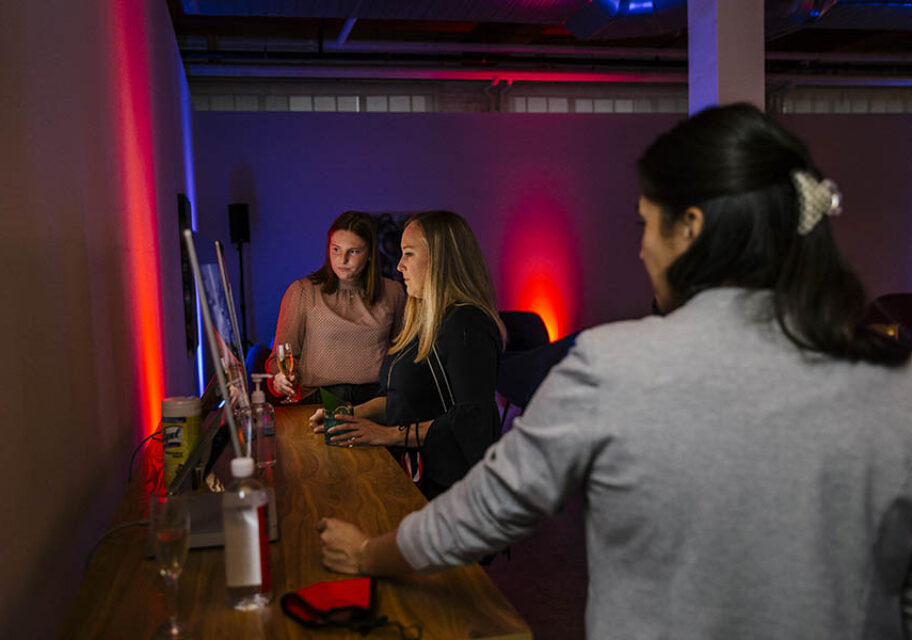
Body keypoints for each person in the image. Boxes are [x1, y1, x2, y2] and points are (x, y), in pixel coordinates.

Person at [315, 105, 912, 639]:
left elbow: (484, 510)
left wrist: (368, 553)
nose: (641, 249)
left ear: (692, 229)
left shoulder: (613, 366)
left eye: (645, 224)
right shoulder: (891, 383)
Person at [313, 210, 506, 499]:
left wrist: (387, 434)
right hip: (415, 472)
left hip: (452, 491)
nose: (400, 266)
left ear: (441, 259)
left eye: (409, 254)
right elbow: (402, 396)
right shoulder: (425, 318)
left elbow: (471, 421)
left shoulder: (466, 323)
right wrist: (349, 415)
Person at [266, 211, 405, 405]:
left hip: (376, 399)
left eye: (353, 251)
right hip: (319, 399)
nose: (342, 260)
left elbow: (403, 356)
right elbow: (278, 359)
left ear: (370, 254)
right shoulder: (303, 292)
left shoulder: (393, 292)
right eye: (336, 249)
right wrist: (280, 379)